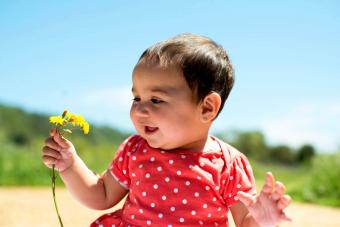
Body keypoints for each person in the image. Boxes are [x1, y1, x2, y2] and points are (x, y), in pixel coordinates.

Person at [42, 33, 291, 227]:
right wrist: (70, 165)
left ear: (207, 107)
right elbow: (102, 195)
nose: (140, 111)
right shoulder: (134, 150)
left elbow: (246, 222)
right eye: (136, 99)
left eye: (156, 100)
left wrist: (262, 219)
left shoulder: (228, 165)